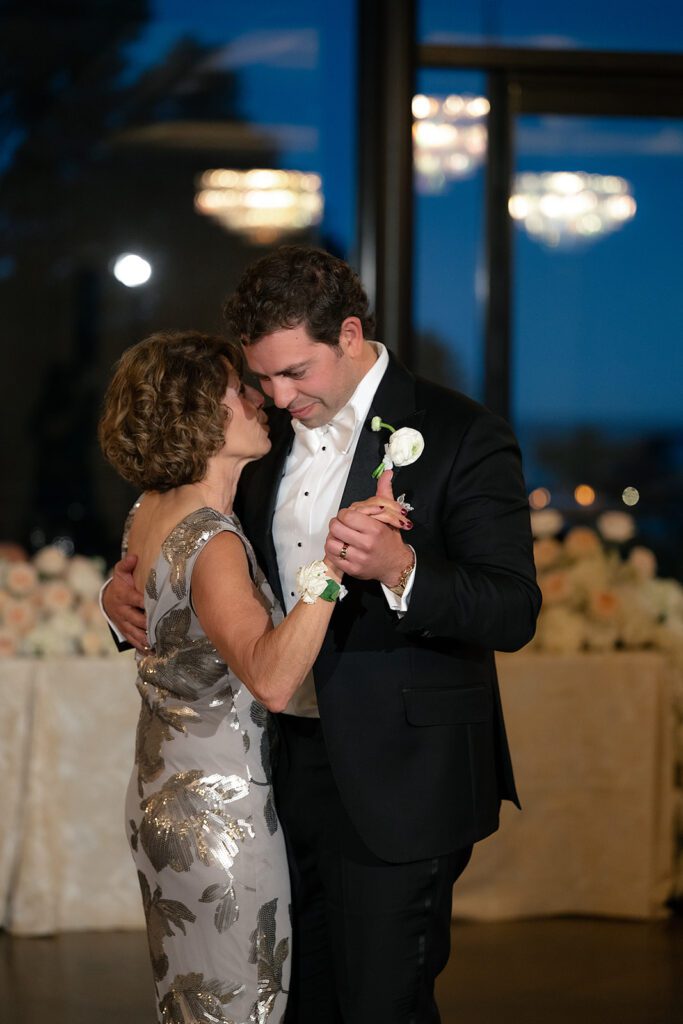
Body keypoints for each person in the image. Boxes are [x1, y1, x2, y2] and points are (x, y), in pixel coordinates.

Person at [104, 249, 541, 1024]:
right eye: (262, 378)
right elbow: (193, 531)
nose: (277, 397)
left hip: (399, 776)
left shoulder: (459, 433)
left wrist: (404, 567)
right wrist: (123, 587)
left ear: (348, 333)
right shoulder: (258, 444)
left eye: (297, 373)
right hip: (269, 776)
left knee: (380, 1005)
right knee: (290, 1001)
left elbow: (511, 609)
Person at [98, 328, 406, 1024]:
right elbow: (269, 679)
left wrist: (107, 601)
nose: (259, 397)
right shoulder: (211, 540)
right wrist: (329, 572)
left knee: (193, 1003)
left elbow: (142, 600)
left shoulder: (150, 509)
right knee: (242, 1008)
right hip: (220, 816)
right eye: (239, 389)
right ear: (200, 412)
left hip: (160, 792)